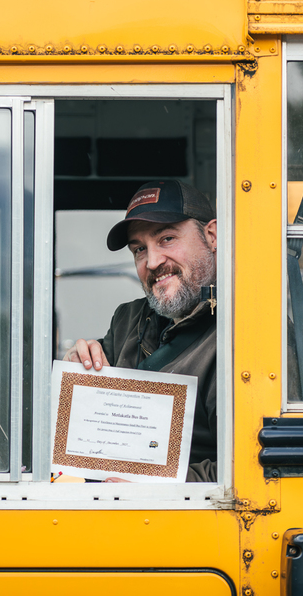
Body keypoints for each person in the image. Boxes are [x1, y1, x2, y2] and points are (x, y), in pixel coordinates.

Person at [64, 180, 218, 482]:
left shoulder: (247, 333)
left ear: (212, 236)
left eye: (167, 239)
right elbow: (84, 436)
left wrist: (153, 485)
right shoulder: (128, 319)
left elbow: (251, 477)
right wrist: (75, 370)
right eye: (139, 249)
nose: (153, 262)